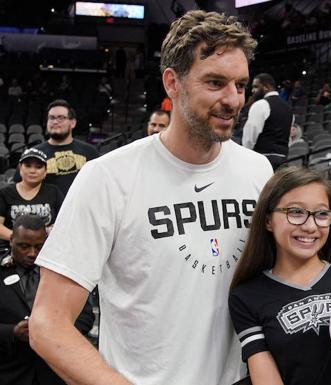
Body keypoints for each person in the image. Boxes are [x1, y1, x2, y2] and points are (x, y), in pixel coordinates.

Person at [28, 10, 273, 385]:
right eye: (215, 82)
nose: (233, 99)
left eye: (240, 85)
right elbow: (47, 323)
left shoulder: (258, 171)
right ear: (172, 83)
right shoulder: (107, 178)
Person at [228, 166, 331, 385]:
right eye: (296, 212)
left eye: (322, 214)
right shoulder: (247, 296)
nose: (310, 226)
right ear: (268, 220)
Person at [0, 214, 93, 385]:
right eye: (24, 246)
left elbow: (86, 316)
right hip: (11, 372)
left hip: (58, 373)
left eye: (39, 247)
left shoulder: (62, 273)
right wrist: (12, 332)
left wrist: (57, 331)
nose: (32, 253)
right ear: (12, 239)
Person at [13, 100, 99, 196]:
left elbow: (99, 184)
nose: (55, 121)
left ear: (73, 123)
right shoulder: (32, 154)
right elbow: (18, 186)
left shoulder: (90, 152)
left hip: (80, 209)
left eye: (61, 118)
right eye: (51, 118)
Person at [0, 149, 64, 250]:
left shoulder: (54, 192)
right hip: (12, 251)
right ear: (20, 168)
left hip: (46, 250)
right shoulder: (4, 192)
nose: (32, 171)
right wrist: (21, 240)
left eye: (38, 167)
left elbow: (64, 221)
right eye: (28, 166)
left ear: (45, 171)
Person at [242, 73, 294, 170]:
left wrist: (246, 156)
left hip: (262, 160)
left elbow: (250, 136)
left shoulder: (261, 104)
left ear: (266, 87)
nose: (252, 90)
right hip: (283, 161)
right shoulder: (288, 108)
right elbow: (288, 137)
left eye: (256, 87)